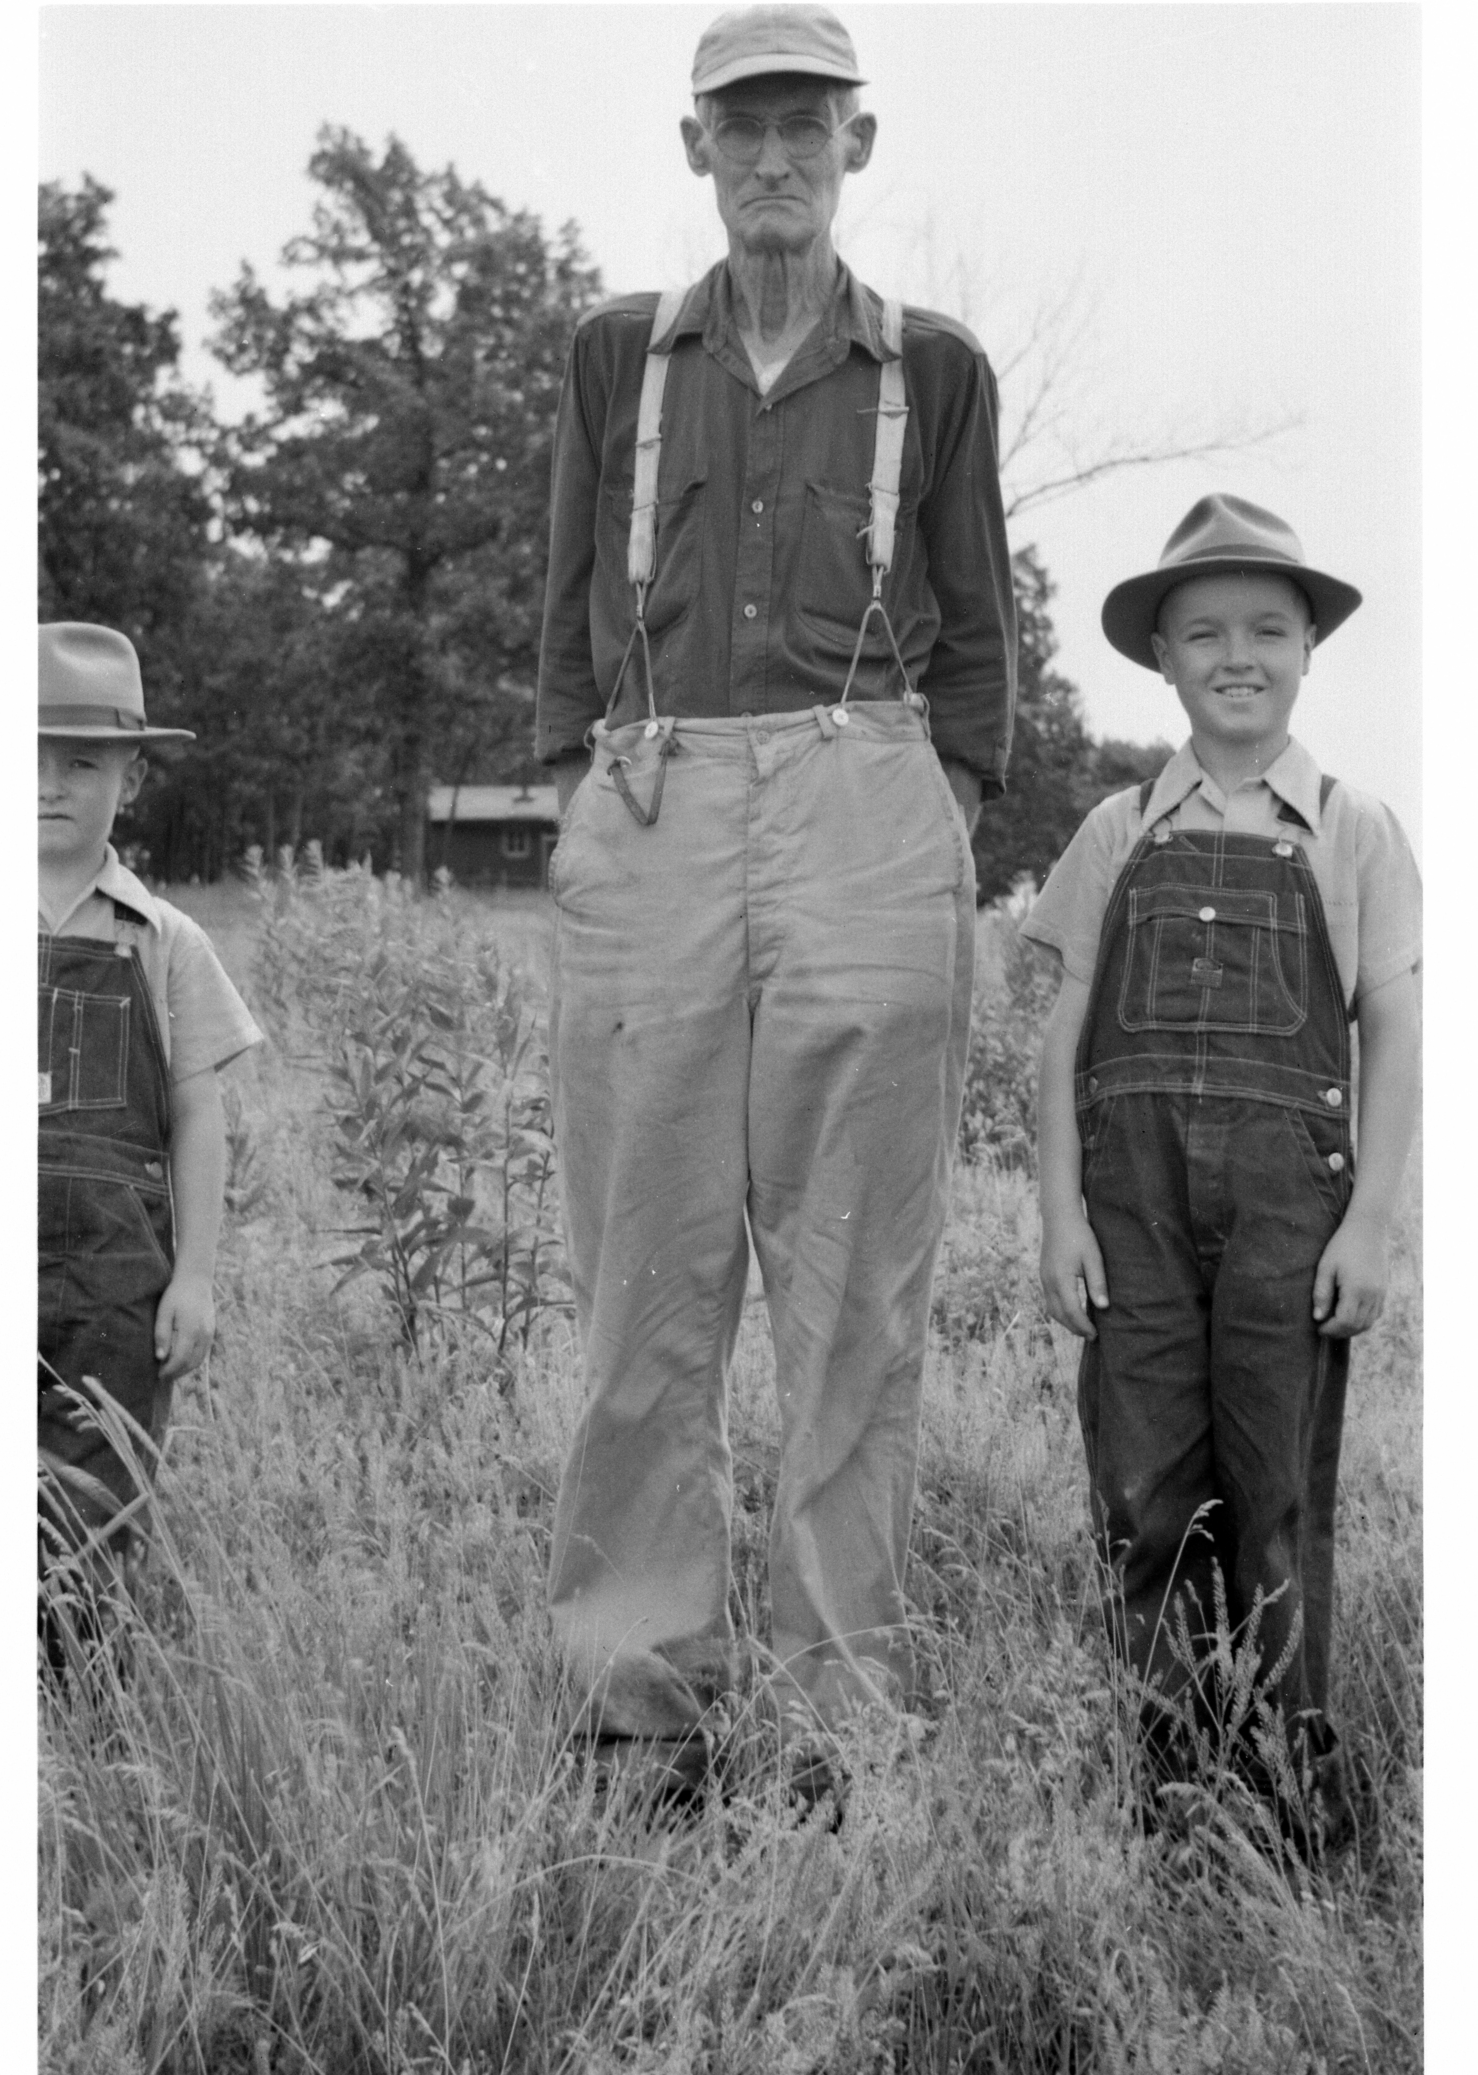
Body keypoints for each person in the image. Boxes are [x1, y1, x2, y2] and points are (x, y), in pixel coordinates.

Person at [536, 5, 1016, 1790]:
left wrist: (932, 818)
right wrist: (585, 804)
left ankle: (833, 1714)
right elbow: (568, 600)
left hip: (865, 804)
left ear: (855, 146)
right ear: (696, 151)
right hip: (655, 795)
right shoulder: (616, 356)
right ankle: (633, 1698)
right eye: (740, 128)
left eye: (806, 124)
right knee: (642, 1273)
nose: (773, 158)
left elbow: (978, 639)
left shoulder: (935, 370)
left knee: (855, 1287)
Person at [1023, 495, 1420, 1841]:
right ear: (1163, 656)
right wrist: (1061, 1214)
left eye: (1265, 628)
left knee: (1276, 1493)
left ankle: (1290, 1784)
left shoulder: (1356, 829)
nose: (1235, 654)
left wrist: (1371, 1220)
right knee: (1144, 1493)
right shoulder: (1115, 827)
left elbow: (1397, 1027)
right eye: (1203, 632)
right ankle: (1166, 1782)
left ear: (1309, 646)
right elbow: (1064, 1035)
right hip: (1129, 1208)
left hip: (1288, 1214)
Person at [39, 621, 262, 1673]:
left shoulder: (166, 939)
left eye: (81, 762)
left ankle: (75, 1690)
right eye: (26, 757)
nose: (48, 784)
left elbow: (198, 1112)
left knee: (94, 1492)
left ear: (130, 781)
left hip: (116, 1281)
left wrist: (198, 1276)